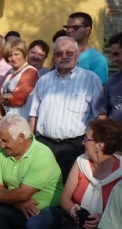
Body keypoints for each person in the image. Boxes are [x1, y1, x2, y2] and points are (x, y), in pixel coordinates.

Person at [60, 119, 122, 229]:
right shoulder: (81, 162)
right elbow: (65, 198)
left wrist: (104, 218)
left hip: (111, 225)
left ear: (99, 145)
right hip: (78, 219)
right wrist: (74, 210)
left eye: (86, 138)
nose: (83, 142)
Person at [29, 36, 103, 182]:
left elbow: (99, 117)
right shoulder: (44, 80)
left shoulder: (90, 79)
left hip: (74, 146)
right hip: (44, 144)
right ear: (54, 57)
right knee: (41, 186)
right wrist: (31, 144)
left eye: (69, 53)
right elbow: (33, 115)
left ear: (77, 55)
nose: (64, 57)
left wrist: (93, 144)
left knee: (70, 188)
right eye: (59, 53)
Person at [0, 38, 39, 120]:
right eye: (10, 56)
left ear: (23, 53)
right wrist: (7, 96)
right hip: (5, 119)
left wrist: (3, 97)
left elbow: (18, 100)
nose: (13, 58)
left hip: (20, 121)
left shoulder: (30, 71)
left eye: (17, 54)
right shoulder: (9, 73)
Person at [65, 12, 109, 84]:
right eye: (67, 27)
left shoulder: (98, 59)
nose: (69, 31)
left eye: (75, 27)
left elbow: (100, 90)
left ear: (87, 30)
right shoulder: (62, 55)